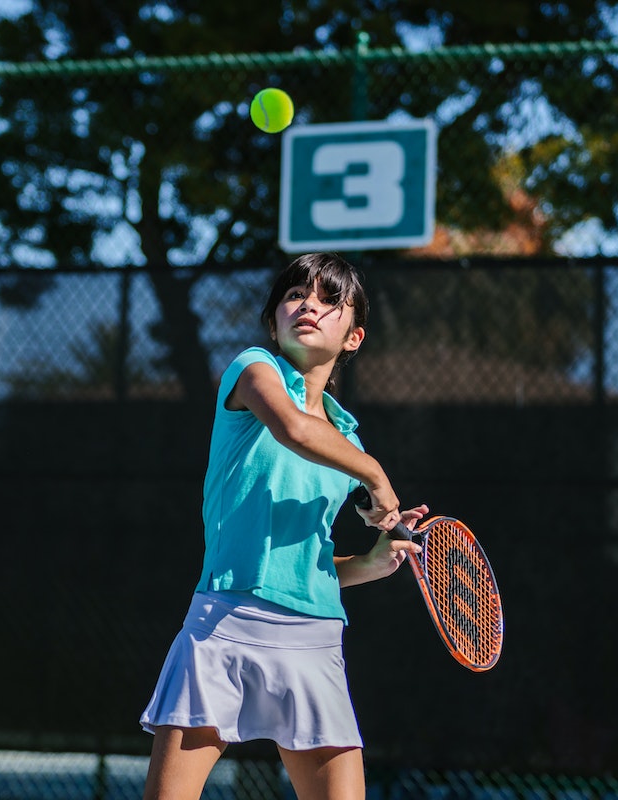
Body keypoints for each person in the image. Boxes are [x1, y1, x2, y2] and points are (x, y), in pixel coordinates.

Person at [139, 252, 427, 800]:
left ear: (354, 337)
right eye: (295, 296)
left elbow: (305, 565)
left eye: (328, 300)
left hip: (315, 640)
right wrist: (376, 477)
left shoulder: (347, 439)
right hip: (225, 624)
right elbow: (294, 429)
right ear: (273, 322)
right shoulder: (253, 371)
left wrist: (369, 564)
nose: (308, 306)